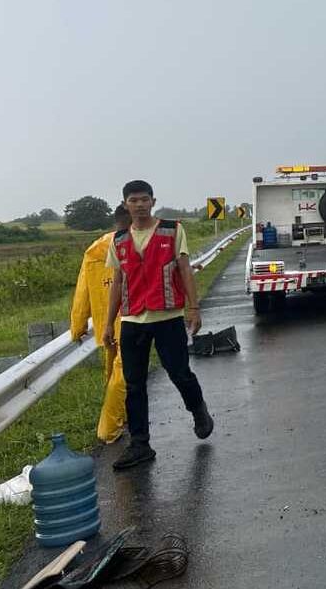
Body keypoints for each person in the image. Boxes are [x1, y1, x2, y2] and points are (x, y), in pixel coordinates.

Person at [105, 180, 213, 470]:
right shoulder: (118, 240)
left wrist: (193, 307)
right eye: (133, 200)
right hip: (132, 321)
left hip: (167, 318)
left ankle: (198, 410)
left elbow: (184, 269)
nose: (139, 205)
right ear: (125, 204)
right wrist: (107, 324)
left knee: (180, 373)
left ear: (153, 201)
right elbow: (117, 283)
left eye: (144, 199)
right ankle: (140, 444)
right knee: (134, 384)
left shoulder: (172, 230)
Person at [69, 204, 132, 443]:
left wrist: (78, 325)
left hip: (105, 320)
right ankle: (109, 428)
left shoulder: (94, 249)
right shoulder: (133, 243)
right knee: (123, 373)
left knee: (113, 372)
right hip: (129, 318)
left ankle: (123, 416)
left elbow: (82, 290)